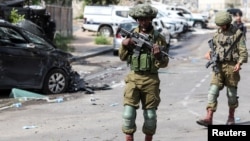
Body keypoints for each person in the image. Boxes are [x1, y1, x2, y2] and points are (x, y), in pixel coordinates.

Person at [118, 3, 170, 141]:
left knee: (150, 116)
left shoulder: (158, 38)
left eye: (146, 19)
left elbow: (164, 63)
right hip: (133, 77)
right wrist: (124, 44)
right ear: (137, 20)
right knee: (128, 114)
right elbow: (122, 57)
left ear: (151, 19)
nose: (143, 22)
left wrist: (158, 56)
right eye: (141, 19)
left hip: (151, 79)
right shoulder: (132, 35)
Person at [196, 11, 248, 127]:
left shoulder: (237, 34)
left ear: (228, 23)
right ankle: (208, 118)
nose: (221, 27)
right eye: (219, 25)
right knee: (212, 92)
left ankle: (231, 117)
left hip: (231, 67)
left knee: (231, 95)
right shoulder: (218, 32)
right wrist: (209, 53)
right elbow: (214, 46)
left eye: (223, 25)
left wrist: (239, 63)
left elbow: (243, 52)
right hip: (218, 67)